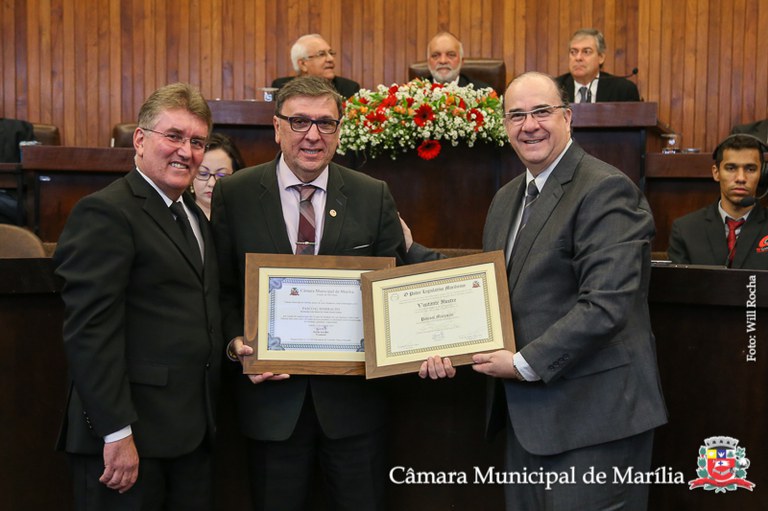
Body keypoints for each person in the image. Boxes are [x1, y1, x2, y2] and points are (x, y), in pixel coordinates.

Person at [421, 72, 667, 510]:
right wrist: (445, 340)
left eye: (541, 112)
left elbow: (606, 305)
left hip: (595, 420)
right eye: (516, 115)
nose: (529, 125)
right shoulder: (506, 199)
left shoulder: (605, 188)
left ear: (567, 118)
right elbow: (492, 290)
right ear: (505, 126)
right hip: (528, 421)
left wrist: (522, 364)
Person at [211, 75, 406, 511]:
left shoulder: (372, 195)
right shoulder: (235, 194)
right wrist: (235, 342)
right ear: (276, 127)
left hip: (354, 411)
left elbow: (391, 294)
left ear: (339, 130)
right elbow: (220, 289)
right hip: (271, 408)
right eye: (299, 122)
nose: (313, 135)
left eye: (326, 123)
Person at [53, 82, 224, 510]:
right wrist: (116, 432)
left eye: (197, 142)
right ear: (140, 140)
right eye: (174, 136)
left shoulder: (193, 215)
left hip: (189, 435)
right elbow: (91, 333)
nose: (186, 151)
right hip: (129, 441)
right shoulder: (106, 212)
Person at [668, 134, 768, 268]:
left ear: (762, 174)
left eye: (750, 169)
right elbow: (679, 281)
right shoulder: (685, 229)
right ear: (716, 173)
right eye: (731, 168)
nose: (741, 178)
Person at [555, 28, 640, 103]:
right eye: (573, 52)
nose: (578, 58)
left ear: (601, 57)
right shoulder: (554, 89)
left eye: (586, 52)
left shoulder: (623, 90)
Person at [271, 34, 360, 99]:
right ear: (303, 64)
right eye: (321, 54)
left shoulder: (349, 89)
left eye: (331, 53)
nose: (330, 59)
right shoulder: (281, 87)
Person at [192, 132, 245, 219]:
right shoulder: (178, 217)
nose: (212, 183)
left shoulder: (248, 217)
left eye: (221, 175)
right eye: (203, 173)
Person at [426, 31, 492, 90]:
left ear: (461, 61)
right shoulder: (419, 91)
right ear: (428, 62)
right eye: (435, 55)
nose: (443, 61)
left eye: (451, 55)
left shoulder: (483, 92)